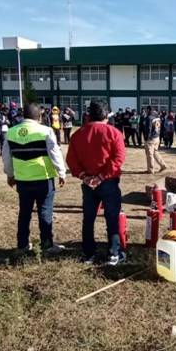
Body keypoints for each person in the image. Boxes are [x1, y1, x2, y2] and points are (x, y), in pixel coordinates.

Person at [66, 99, 127, 265]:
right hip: (108, 181)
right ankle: (114, 253)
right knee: (112, 217)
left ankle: (88, 253)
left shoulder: (78, 134)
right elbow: (119, 158)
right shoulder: (114, 133)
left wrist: (84, 176)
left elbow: (71, 160)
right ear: (106, 115)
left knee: (88, 218)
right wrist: (101, 177)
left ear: (88, 115)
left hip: (88, 183)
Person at [2, 102, 67, 254]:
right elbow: (54, 153)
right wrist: (61, 172)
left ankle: (22, 245)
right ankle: (47, 244)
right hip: (43, 178)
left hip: (23, 180)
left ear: (23, 115)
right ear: (40, 115)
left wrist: (10, 175)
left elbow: (6, 157)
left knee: (24, 213)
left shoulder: (11, 132)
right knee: (45, 212)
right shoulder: (45, 131)